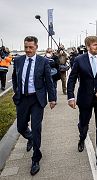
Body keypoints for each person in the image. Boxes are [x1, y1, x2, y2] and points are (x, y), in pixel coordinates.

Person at [67, 36, 97, 175]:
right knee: (84, 123)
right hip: (84, 99)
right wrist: (71, 97)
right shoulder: (79, 60)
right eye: (95, 45)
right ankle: (82, 137)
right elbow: (72, 79)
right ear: (88, 47)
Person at [12, 36, 56, 175]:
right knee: (20, 127)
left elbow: (49, 80)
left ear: (36, 47)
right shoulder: (18, 60)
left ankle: (36, 158)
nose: (28, 50)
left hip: (37, 100)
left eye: (31, 47)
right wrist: (16, 91)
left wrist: (52, 98)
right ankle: (29, 137)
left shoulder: (43, 62)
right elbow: (15, 77)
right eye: (26, 47)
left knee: (37, 128)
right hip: (22, 99)